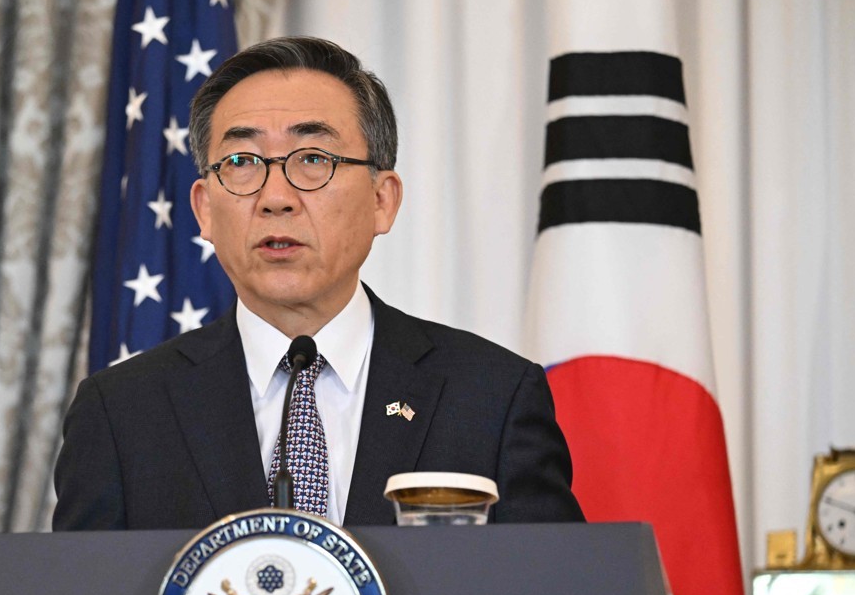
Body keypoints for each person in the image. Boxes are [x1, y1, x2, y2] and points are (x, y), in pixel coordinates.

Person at [53, 36, 583, 532]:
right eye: (241, 162)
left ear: (382, 200)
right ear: (204, 209)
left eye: (314, 160)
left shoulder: (492, 398)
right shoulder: (122, 413)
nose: (275, 197)